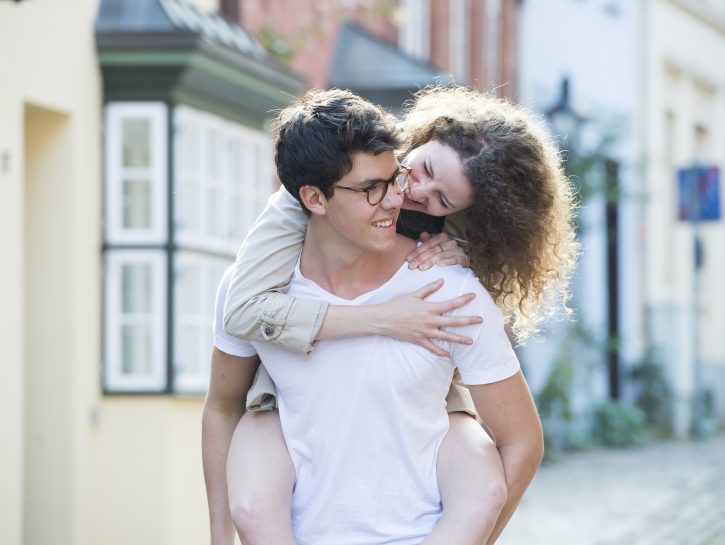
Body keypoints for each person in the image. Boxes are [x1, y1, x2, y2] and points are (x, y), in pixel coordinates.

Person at [203, 88, 547, 545]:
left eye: (442, 200)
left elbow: (520, 441)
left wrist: (467, 250)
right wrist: (380, 318)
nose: (410, 194)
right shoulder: (290, 218)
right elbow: (238, 329)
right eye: (417, 171)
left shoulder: (450, 279)